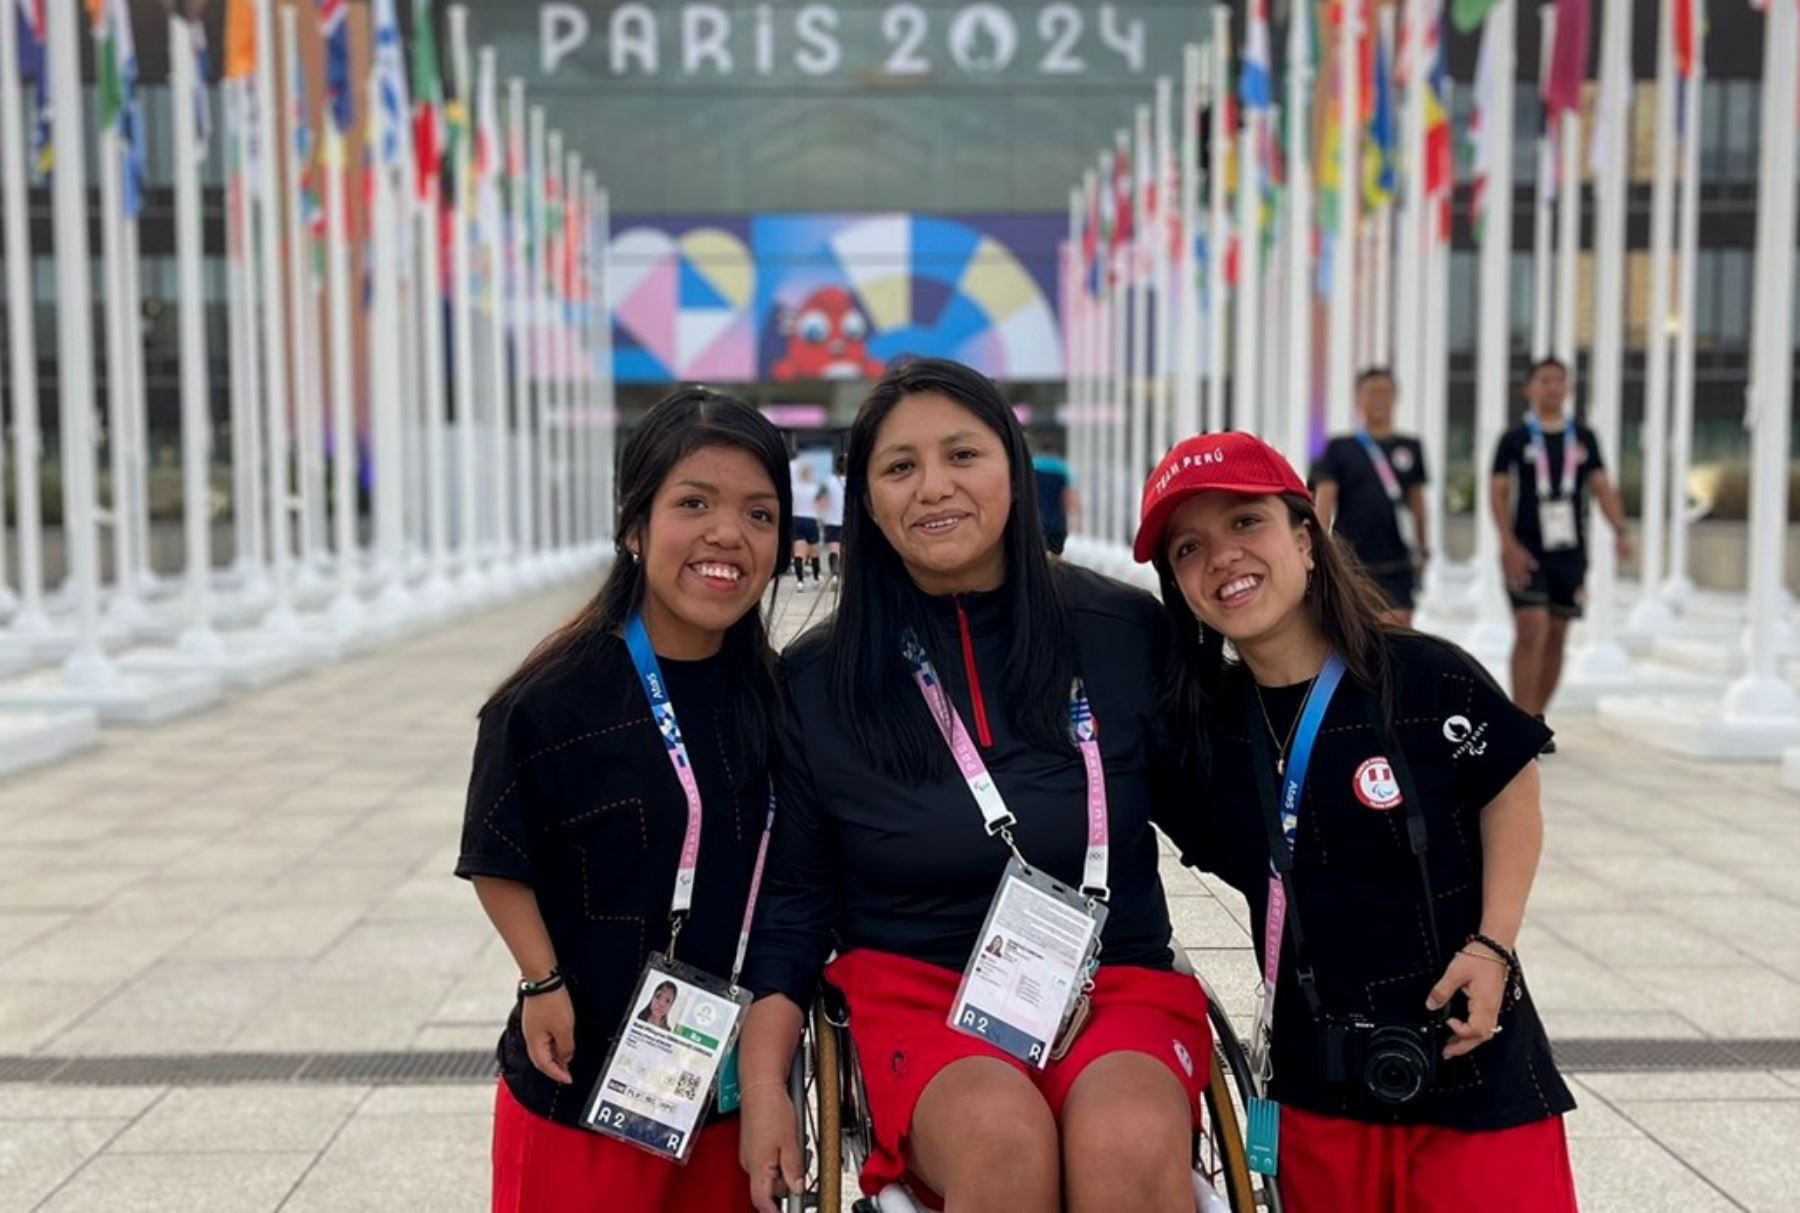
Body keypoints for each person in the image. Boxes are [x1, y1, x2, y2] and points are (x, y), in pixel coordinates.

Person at [737, 359, 1210, 1213]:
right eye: (899, 466)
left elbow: (1231, 819)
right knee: (1003, 1141)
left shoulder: (1122, 629)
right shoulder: (817, 680)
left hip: (1114, 981)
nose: (933, 487)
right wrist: (766, 1079)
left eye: (963, 454)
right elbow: (795, 904)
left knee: (1130, 1144)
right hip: (917, 991)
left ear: (1014, 469)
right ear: (868, 502)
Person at [1134, 431, 1578, 1213]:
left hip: (1476, 1068)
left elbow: (1511, 781)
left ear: (1306, 540)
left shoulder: (1423, 674)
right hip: (1318, 1090)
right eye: (1189, 548)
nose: (1223, 558)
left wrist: (1494, 942)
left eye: (1246, 523)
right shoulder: (1203, 738)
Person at [457, 388, 793, 1213]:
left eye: (759, 512)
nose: (727, 533)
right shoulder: (550, 698)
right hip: (580, 1088)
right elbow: (496, 850)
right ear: (635, 528)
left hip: (721, 1095)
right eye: (694, 503)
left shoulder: (777, 696)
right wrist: (542, 980)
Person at [1491, 357, 1632, 751]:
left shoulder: (1583, 438)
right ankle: (1518, 720)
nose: (1553, 388)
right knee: (1530, 625)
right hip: (1527, 550)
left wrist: (1620, 530)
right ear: (1530, 389)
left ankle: (1536, 716)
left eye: (1559, 381)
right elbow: (1498, 493)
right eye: (1545, 381)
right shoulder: (1515, 439)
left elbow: (1602, 488)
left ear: (1568, 388)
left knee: (1556, 632)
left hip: (1569, 554)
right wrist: (1507, 544)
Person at [1313, 367, 1429, 625]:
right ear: (1358, 399)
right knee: (1357, 628)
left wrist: (1423, 549)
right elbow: (1324, 502)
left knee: (1398, 628)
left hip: (1398, 559)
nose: (1379, 398)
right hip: (1352, 559)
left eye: (1385, 392)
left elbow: (1418, 504)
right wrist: (1320, 548)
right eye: (1372, 392)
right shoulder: (1340, 448)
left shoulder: (1410, 447)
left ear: (1395, 398)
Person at [1032, 435, 1080, 556]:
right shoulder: (1062, 468)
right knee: (1056, 555)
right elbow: (1068, 496)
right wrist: (1076, 518)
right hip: (1057, 520)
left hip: (1036, 518)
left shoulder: (1033, 465)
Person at [790, 455, 822, 589]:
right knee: (814, 552)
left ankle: (800, 582)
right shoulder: (815, 488)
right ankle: (815, 578)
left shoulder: (794, 488)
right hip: (811, 519)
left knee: (798, 553)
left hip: (796, 519)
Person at [819, 453, 847, 586]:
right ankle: (845, 576)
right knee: (846, 550)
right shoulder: (853, 482)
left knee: (834, 550)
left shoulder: (829, 480)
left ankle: (835, 575)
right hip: (847, 522)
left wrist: (821, 519)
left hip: (831, 520)